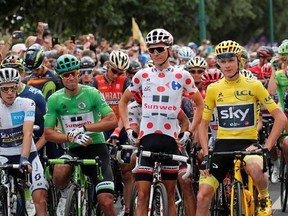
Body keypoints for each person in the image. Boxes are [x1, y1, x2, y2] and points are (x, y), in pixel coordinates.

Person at [119, 28, 204, 216]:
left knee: (171, 195)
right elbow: (123, 102)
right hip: (146, 139)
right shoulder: (142, 74)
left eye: (159, 49)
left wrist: (189, 132)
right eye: (152, 50)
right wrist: (128, 128)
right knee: (142, 196)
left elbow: (200, 105)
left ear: (169, 49)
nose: (156, 53)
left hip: (170, 141)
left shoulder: (182, 75)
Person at [196, 40, 286, 216]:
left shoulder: (254, 85)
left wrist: (266, 148)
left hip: (248, 144)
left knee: (254, 168)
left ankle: (264, 197)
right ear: (218, 63)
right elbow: (203, 125)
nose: (227, 65)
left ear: (239, 61)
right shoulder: (214, 89)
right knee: (202, 197)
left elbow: (280, 118)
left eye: (231, 60)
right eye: (223, 61)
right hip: (222, 146)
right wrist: (206, 154)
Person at [44, 54, 118, 216]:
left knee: (106, 201)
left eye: (74, 73)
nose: (71, 78)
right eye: (66, 75)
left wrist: (84, 129)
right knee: (59, 169)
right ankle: (64, 195)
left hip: (97, 149)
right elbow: (48, 133)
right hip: (74, 149)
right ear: (60, 78)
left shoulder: (91, 93)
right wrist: (70, 137)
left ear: (78, 73)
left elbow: (112, 121)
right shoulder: (54, 99)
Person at [0, 67, 48, 216]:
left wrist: (24, 158)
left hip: (27, 155)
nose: (9, 92)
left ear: (18, 87)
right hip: (3, 156)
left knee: (40, 199)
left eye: (13, 88)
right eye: (4, 89)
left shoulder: (27, 103)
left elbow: (27, 133)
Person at [95, 50, 133, 216]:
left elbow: (128, 110)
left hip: (122, 127)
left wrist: (118, 131)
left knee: (127, 170)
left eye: (121, 72)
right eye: (114, 71)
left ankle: (128, 209)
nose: (117, 75)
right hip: (102, 126)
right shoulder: (96, 82)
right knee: (99, 167)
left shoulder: (126, 82)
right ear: (108, 66)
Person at [268, 41, 288, 182]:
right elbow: (271, 91)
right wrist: (273, 70)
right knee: (286, 143)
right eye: (284, 58)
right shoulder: (280, 75)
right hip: (285, 113)